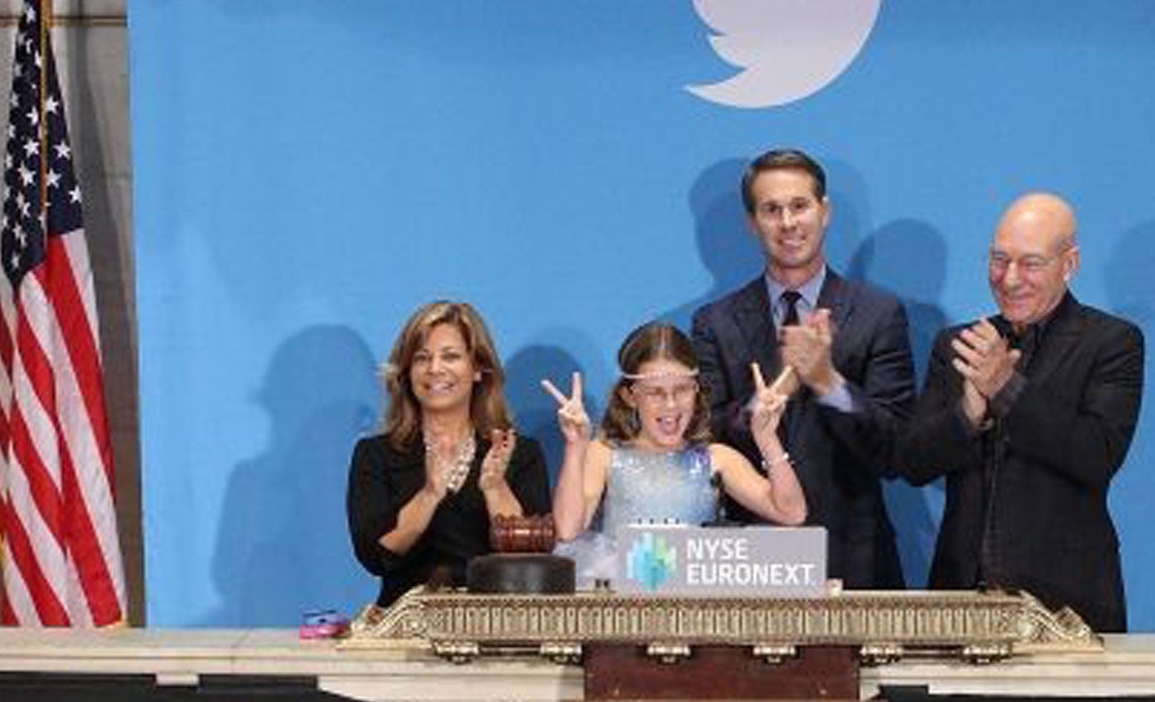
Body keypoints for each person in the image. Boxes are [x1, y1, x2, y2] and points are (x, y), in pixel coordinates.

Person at [895, 193, 1143, 631]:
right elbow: (914, 462)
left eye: (1029, 263)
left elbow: (1096, 455)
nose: (1009, 278)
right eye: (998, 259)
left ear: (1069, 264)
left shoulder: (1112, 342)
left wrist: (1004, 388)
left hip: (1069, 603)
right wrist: (969, 412)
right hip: (960, 599)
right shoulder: (959, 345)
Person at [690, 148, 916, 588]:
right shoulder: (714, 323)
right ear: (751, 223)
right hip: (746, 560)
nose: (788, 223)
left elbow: (896, 449)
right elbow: (704, 438)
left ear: (824, 211)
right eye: (771, 210)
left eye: (799, 206)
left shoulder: (878, 314)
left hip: (853, 559)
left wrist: (827, 382)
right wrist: (771, 397)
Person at [544, 322, 803, 580]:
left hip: (694, 604)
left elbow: (790, 513)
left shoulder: (717, 458)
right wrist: (575, 449)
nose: (670, 405)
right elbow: (567, 530)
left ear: (696, 389)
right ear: (630, 396)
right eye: (655, 393)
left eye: (681, 390)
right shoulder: (603, 454)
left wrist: (767, 439)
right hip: (625, 602)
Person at [346, 299, 552, 606]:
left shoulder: (519, 453)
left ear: (478, 368)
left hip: (496, 629)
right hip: (405, 633)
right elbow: (375, 556)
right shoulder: (376, 454)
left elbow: (533, 559)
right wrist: (429, 494)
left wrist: (495, 489)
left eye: (451, 356)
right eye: (421, 358)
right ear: (406, 372)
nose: (435, 369)